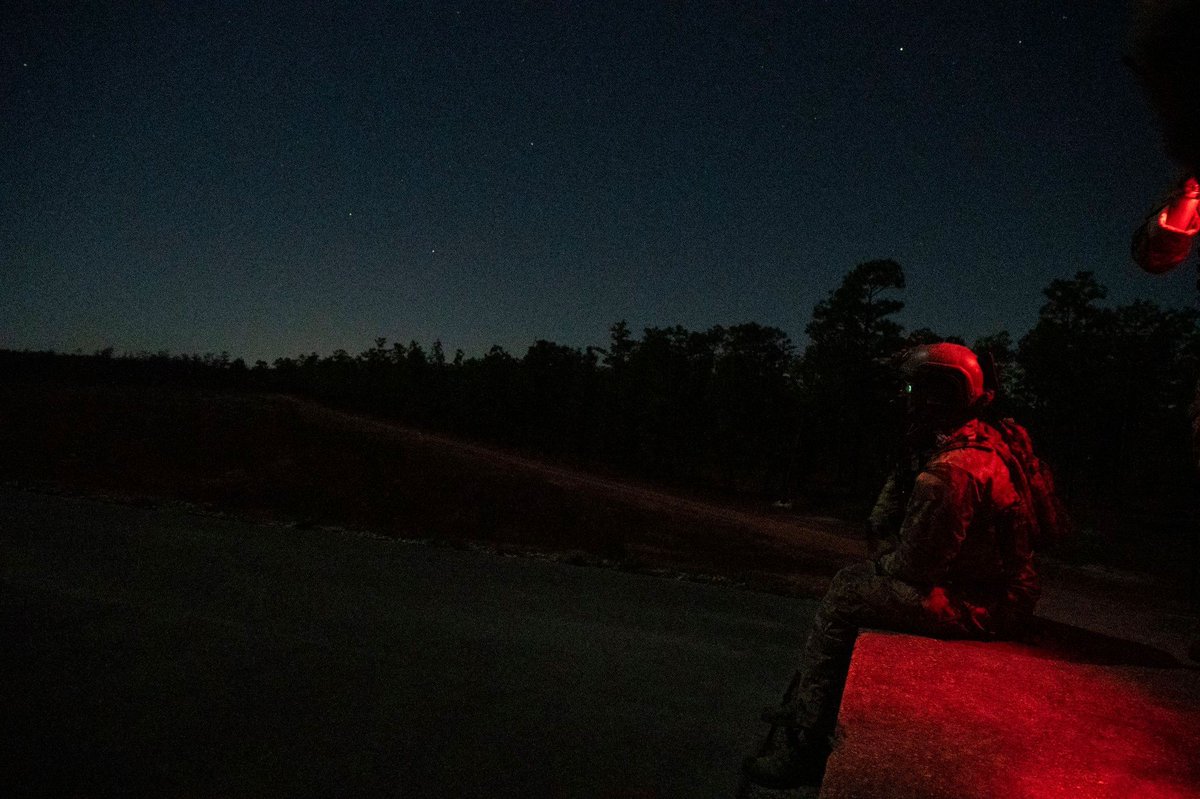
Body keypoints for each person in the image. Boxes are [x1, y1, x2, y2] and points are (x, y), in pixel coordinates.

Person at [742, 343, 1056, 789]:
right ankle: (814, 722)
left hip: (989, 603)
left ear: (942, 396)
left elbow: (913, 567)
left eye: (917, 390)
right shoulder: (977, 439)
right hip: (994, 586)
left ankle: (804, 744)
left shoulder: (951, 472)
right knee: (862, 584)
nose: (908, 400)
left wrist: (881, 558)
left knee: (847, 593)